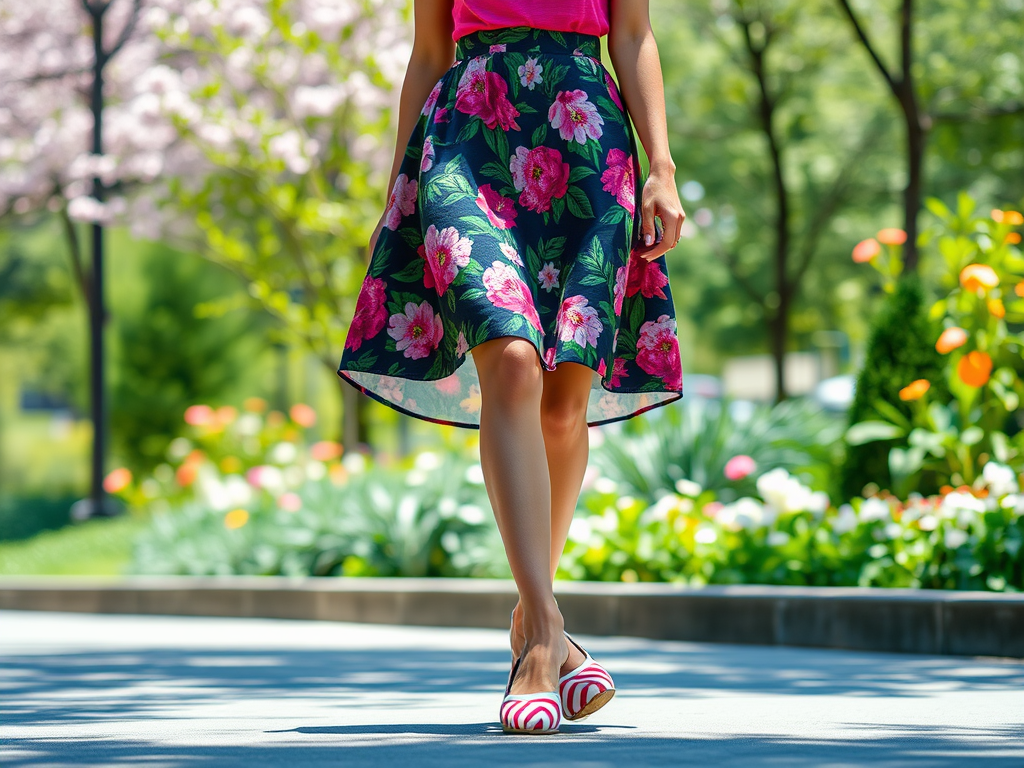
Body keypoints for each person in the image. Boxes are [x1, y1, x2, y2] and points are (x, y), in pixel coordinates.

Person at [337, 0, 685, 734]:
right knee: (515, 362)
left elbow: (633, 32)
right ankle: (543, 641)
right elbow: (429, 49)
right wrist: (396, 190)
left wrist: (663, 167)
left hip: (587, 130)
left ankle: (533, 618)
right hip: (467, 129)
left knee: (564, 402)